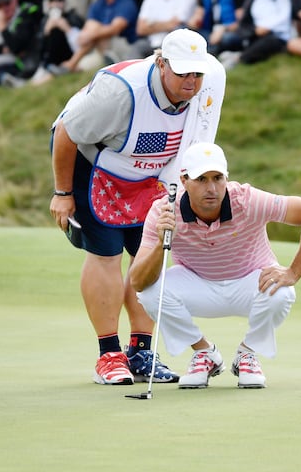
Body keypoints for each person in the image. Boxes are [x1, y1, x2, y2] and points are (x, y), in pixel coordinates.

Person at [48, 29, 226, 386]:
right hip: (94, 168)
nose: (191, 81)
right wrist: (63, 192)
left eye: (197, 73)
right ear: (161, 64)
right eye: (182, 73)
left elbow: (197, 140)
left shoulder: (210, 83)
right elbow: (66, 132)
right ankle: (109, 354)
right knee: (107, 253)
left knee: (151, 254)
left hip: (149, 176)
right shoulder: (120, 93)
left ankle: (142, 352)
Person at [128, 142, 301, 389]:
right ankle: (204, 353)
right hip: (197, 284)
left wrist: (293, 272)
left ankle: (248, 352)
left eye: (217, 178)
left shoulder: (247, 200)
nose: (211, 188)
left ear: (227, 178)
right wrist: (161, 243)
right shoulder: (164, 210)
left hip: (250, 282)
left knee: (282, 292)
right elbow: (138, 281)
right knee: (150, 292)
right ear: (184, 181)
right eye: (201, 179)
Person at [61, 0, 139, 72]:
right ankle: (71, 66)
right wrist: (88, 35)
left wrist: (90, 35)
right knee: (94, 31)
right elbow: (89, 27)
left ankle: (71, 63)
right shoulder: (99, 2)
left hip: (124, 46)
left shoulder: (126, 2)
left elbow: (115, 29)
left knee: (98, 32)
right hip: (101, 46)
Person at [223, 0, 299, 68]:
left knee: (272, 41)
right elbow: (244, 24)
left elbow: (298, 12)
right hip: (258, 36)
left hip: (282, 38)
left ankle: (238, 59)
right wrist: (255, 31)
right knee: (229, 39)